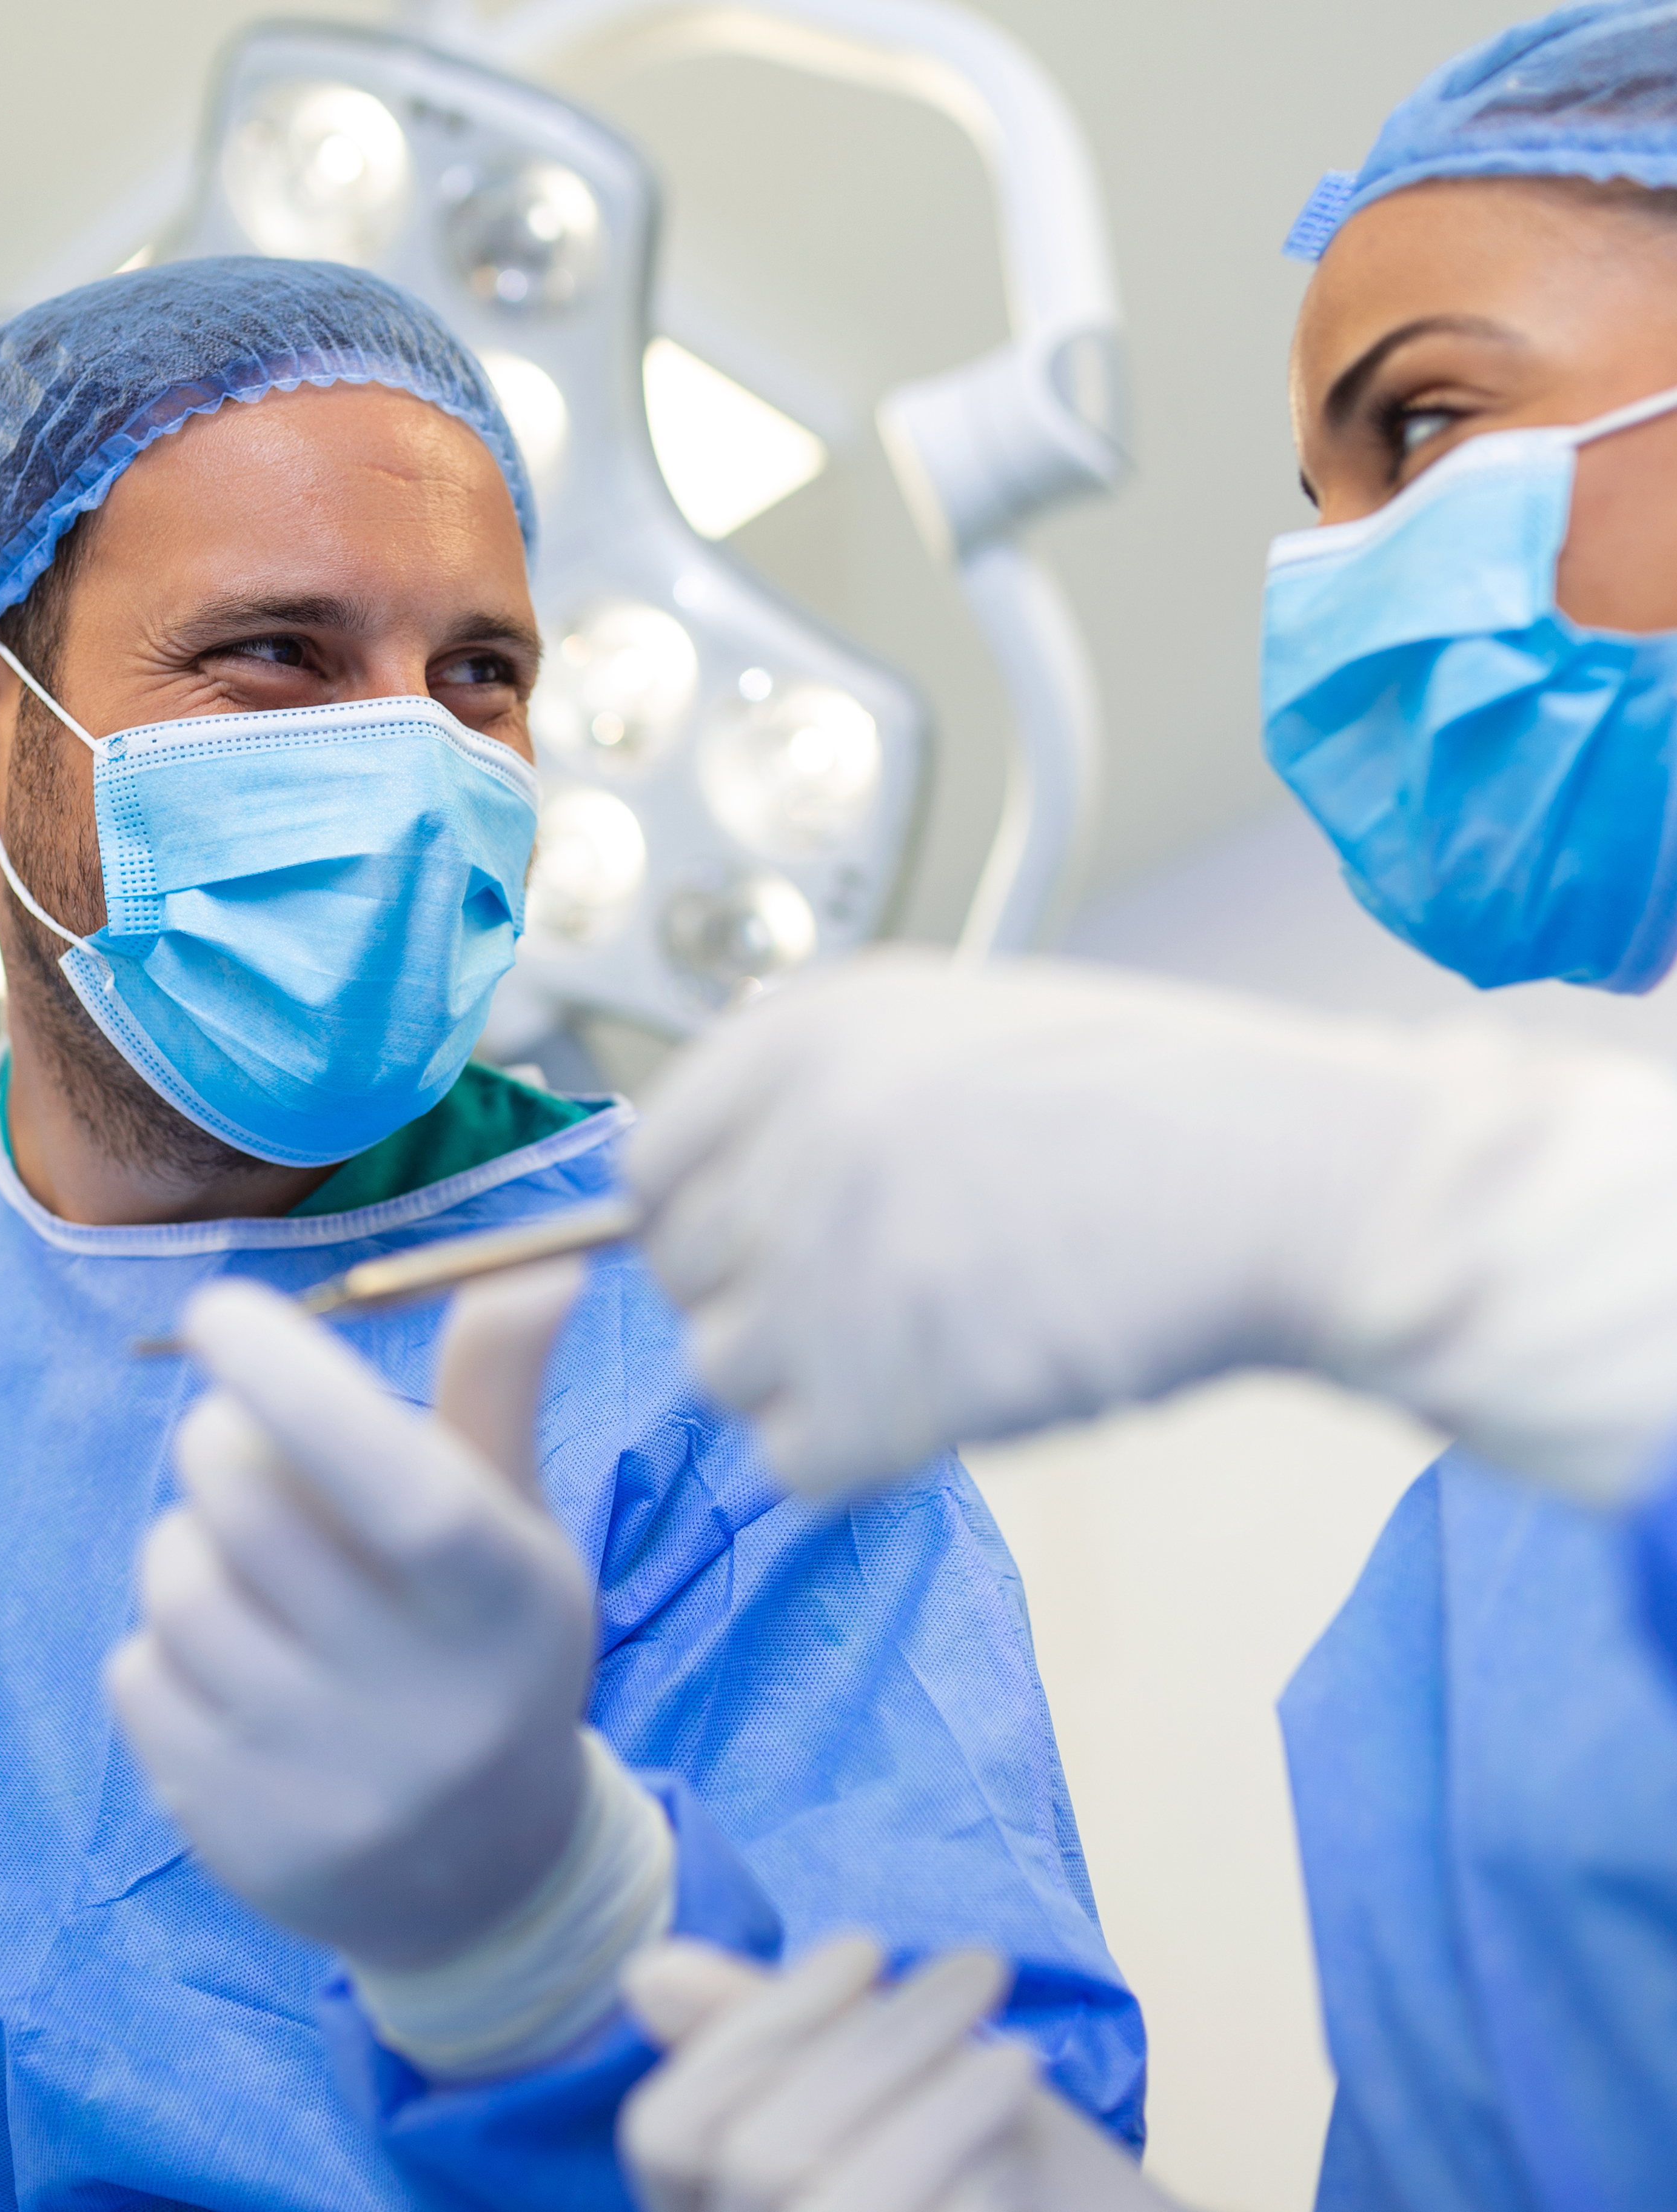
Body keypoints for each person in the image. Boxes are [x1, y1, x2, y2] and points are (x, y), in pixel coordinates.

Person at [0, 257, 1146, 2210]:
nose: (415, 761)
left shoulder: (710, 1327)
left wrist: (547, 1924)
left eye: (480, 676)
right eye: (278, 655)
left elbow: (977, 2134)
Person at [616, 6, 1677, 2208]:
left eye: (1430, 424)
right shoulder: (1494, 1585)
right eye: (1326, 496)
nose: (1335, 583)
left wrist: (1453, 1220)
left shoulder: (1550, 1314)